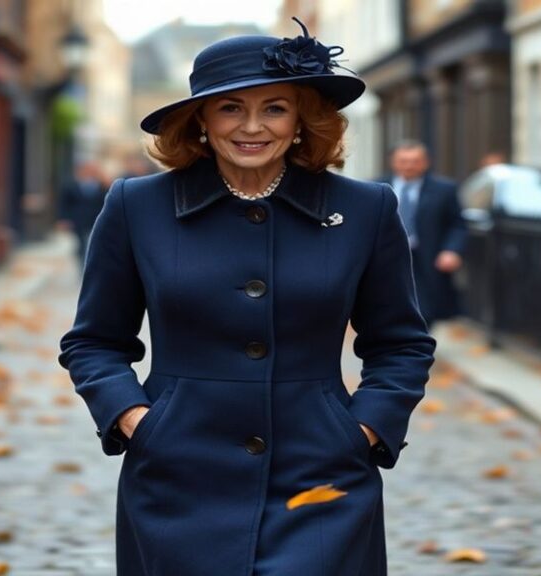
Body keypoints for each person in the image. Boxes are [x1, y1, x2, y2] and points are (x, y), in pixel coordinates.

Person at [59, 19, 435, 576]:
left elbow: (401, 344)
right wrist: (138, 421)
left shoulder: (366, 209)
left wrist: (362, 429)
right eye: (230, 108)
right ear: (201, 119)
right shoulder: (136, 206)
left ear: (301, 119)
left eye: (275, 108)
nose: (253, 126)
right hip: (177, 477)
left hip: (322, 479)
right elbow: (93, 342)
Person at [381, 140, 467, 327]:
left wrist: (451, 250)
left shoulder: (445, 189)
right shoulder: (376, 187)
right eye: (404, 161)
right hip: (387, 256)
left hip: (426, 258)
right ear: (393, 162)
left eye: (415, 161)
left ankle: (420, 338)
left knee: (424, 312)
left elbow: (457, 224)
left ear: (426, 162)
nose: (409, 166)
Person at [58, 161, 109, 265]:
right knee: (81, 245)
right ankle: (83, 266)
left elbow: (106, 202)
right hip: (78, 221)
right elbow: (64, 204)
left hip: (95, 220)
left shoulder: (102, 185)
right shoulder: (71, 185)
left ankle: (90, 264)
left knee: (93, 244)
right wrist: (63, 219)